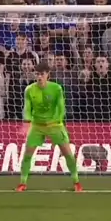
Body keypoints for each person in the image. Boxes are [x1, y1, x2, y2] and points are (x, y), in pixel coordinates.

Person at [16, 60, 83, 193]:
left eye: (42, 74)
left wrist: (55, 123)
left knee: (68, 154)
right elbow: (27, 108)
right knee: (27, 155)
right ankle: (23, 183)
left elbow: (61, 108)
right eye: (37, 74)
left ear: (48, 74)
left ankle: (76, 182)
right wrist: (27, 122)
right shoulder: (29, 89)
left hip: (55, 125)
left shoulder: (56, 88)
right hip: (37, 126)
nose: (39, 77)